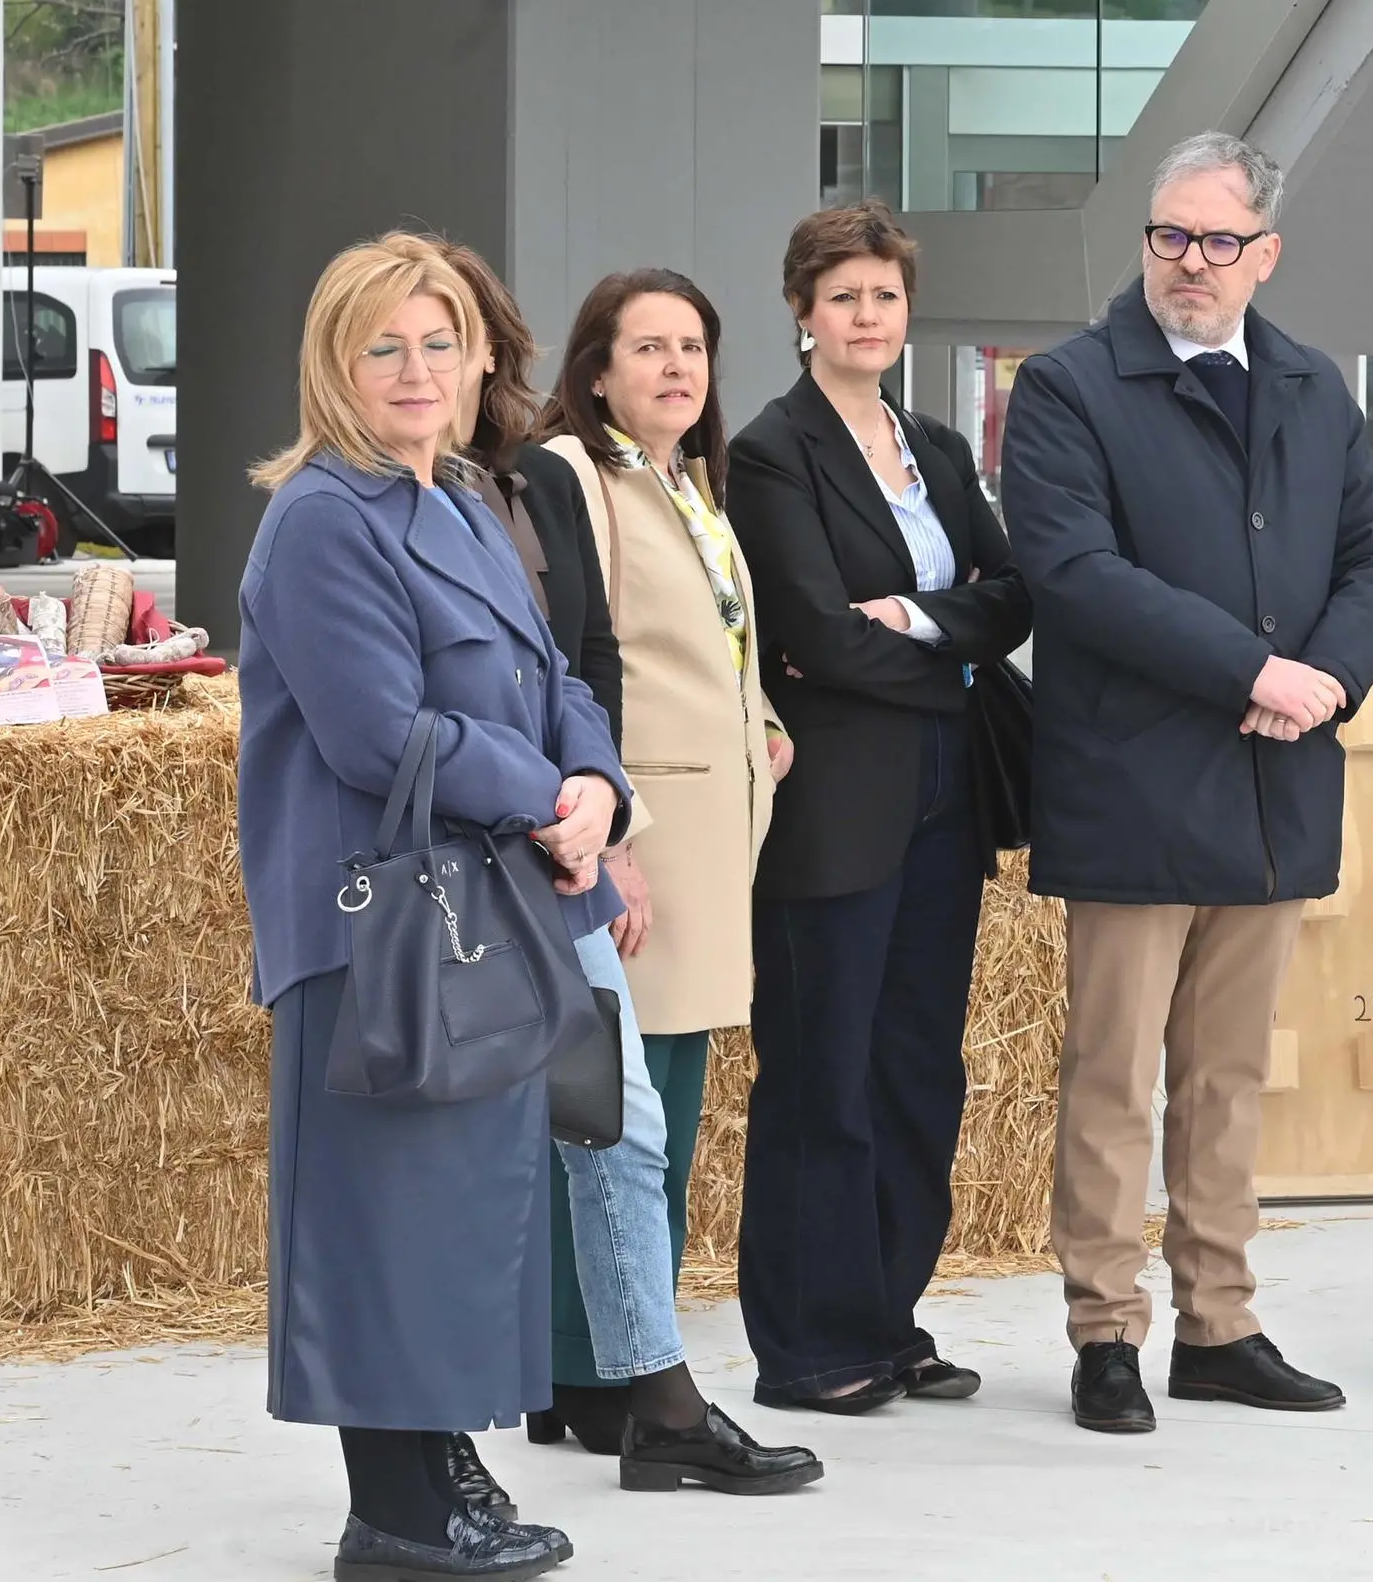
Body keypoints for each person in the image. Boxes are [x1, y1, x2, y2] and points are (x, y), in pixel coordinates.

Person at [1000, 131, 1373, 1434]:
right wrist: (1255, 666)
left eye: (1216, 240)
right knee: (1114, 1074)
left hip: (1269, 787)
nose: (1188, 260)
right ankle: (1104, 1330)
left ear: (1264, 253)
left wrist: (1327, 677)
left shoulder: (1308, 384)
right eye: (1168, 235)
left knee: (1231, 1075)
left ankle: (1220, 1319)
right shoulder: (1071, 385)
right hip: (1134, 783)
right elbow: (1071, 569)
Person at [236, 234, 624, 1579]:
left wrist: (594, 785)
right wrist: (538, 795)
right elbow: (374, 731)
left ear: (472, 359)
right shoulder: (321, 516)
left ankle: (444, 1465)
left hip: (481, 910)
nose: (416, 368)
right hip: (376, 930)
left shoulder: (456, 493)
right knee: (388, 1218)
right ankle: (397, 1510)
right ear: (337, 365)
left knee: (465, 1212)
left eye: (438, 340)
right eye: (383, 344)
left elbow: (549, 670)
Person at [727, 202, 1033, 1411]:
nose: (869, 317)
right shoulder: (771, 450)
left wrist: (912, 621)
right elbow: (808, 634)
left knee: (918, 1067)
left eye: (886, 298)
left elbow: (1011, 597)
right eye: (845, 296)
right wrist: (942, 648)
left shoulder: (938, 449)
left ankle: (890, 1316)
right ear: (803, 311)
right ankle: (807, 1343)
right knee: (822, 1069)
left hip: (945, 796)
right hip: (838, 807)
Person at [524, 267, 817, 1488]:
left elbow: (713, 638)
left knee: (664, 1096)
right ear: (597, 369)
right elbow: (575, 660)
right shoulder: (575, 475)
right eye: (647, 348)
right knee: (629, 1113)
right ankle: (606, 1376)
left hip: (715, 824)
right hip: (644, 832)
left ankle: (595, 1374)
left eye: (692, 347)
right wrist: (620, 838)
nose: (676, 369)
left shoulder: (688, 481)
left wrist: (758, 719)